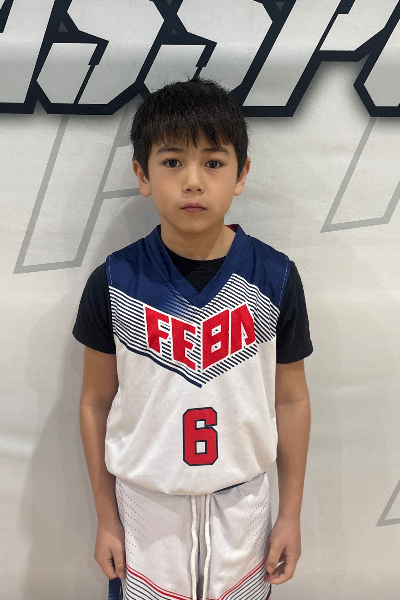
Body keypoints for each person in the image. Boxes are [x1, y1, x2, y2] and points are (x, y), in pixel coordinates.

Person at [73, 79, 312, 600]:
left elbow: (291, 398)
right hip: (144, 512)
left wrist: (291, 513)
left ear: (241, 174)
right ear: (142, 175)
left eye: (214, 162)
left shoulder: (275, 277)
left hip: (244, 509)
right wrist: (105, 515)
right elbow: (94, 402)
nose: (193, 182)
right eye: (172, 162)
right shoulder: (113, 282)